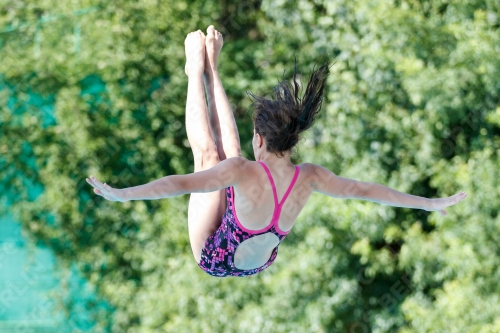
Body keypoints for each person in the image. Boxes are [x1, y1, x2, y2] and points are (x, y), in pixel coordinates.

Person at [86, 26, 467, 277]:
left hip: (215, 257)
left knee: (209, 159)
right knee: (228, 160)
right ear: (292, 142)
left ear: (261, 140)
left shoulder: (246, 170)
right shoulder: (311, 176)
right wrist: (428, 204)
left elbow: (179, 183)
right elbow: (367, 191)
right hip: (256, 261)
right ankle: (211, 68)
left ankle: (195, 69)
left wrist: (124, 194)